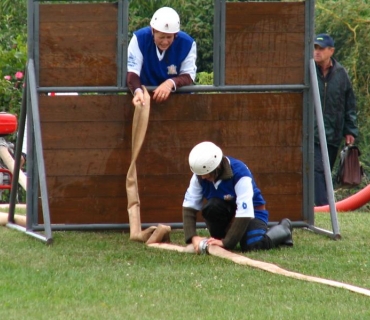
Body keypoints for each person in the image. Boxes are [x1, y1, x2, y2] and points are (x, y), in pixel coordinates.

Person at [182, 141, 293, 254]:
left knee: (253, 245)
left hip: (253, 213)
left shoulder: (240, 174)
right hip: (226, 211)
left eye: (207, 173)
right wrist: (193, 237)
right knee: (212, 207)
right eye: (200, 174)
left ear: (217, 166)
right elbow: (189, 207)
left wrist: (227, 243)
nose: (203, 177)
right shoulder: (200, 175)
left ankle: (284, 229)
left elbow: (245, 213)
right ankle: (220, 237)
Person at [313, 34, 358, 206]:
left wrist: (350, 130)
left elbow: (350, 104)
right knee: (317, 170)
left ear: (331, 51)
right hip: (312, 133)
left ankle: (318, 207)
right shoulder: (307, 70)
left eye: (321, 49)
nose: (317, 52)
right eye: (315, 48)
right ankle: (323, 207)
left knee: (324, 172)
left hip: (333, 135)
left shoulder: (341, 74)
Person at [127, 7, 197, 105]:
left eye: (169, 37)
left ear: (175, 35)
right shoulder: (139, 39)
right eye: (161, 37)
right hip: (145, 98)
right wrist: (137, 91)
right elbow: (133, 72)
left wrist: (170, 83)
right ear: (153, 31)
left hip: (177, 101)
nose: (165, 42)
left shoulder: (187, 43)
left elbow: (188, 75)